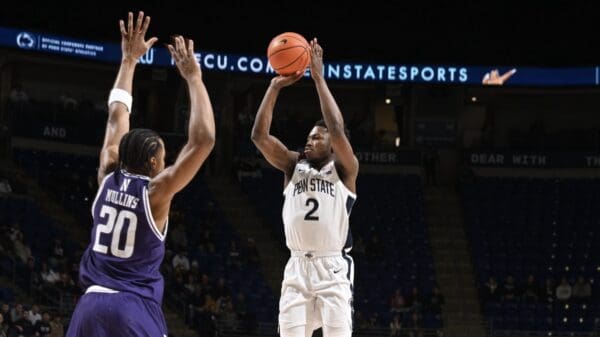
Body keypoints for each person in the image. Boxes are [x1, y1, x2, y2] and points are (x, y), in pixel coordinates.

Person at [66, 11, 215, 337]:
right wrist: (194, 79)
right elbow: (203, 140)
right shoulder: (155, 193)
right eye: (163, 156)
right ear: (152, 163)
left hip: (88, 308)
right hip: (131, 308)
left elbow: (117, 114)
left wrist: (129, 61)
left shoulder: (106, 174)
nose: (166, 161)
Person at [251, 38, 358, 337]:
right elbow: (259, 136)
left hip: (332, 268)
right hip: (297, 266)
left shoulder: (345, 171)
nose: (309, 141)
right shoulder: (292, 165)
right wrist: (274, 87)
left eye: (316, 138)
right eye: (309, 137)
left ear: (334, 146)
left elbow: (337, 128)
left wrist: (318, 78)